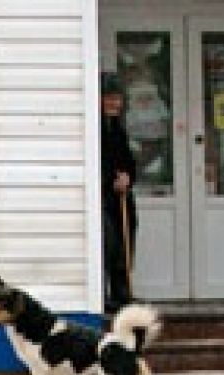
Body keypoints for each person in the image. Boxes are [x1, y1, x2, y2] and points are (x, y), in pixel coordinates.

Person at [100, 71, 137, 312]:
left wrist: (128, 177)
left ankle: (122, 292)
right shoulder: (97, 129)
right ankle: (102, 294)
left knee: (126, 239)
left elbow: (127, 160)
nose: (114, 103)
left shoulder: (118, 128)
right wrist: (109, 181)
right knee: (108, 243)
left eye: (117, 98)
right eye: (109, 98)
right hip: (103, 196)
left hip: (120, 196)